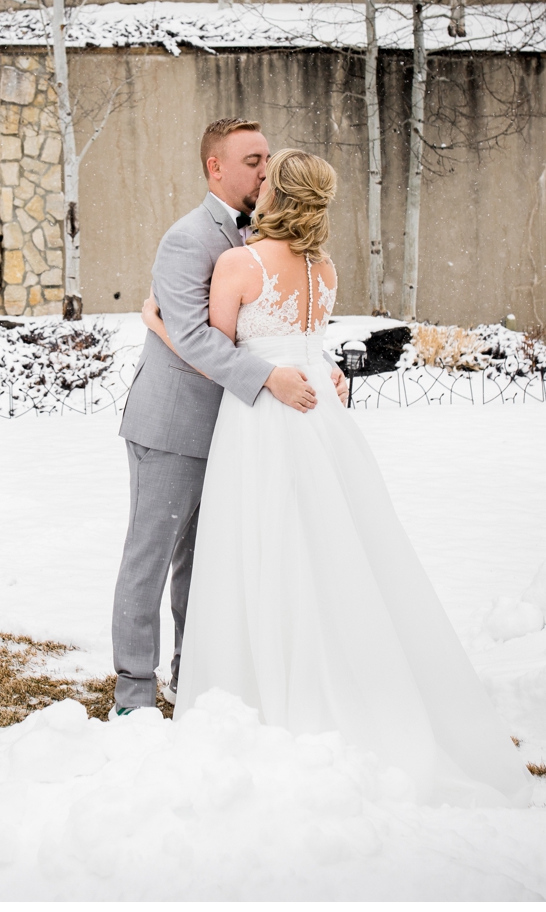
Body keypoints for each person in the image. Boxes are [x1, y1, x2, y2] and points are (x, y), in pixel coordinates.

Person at [150, 149, 530, 800]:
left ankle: (264, 689)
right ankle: (345, 678)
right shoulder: (324, 268)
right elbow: (307, 338)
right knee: (330, 552)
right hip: (320, 418)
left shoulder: (238, 264)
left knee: (261, 546)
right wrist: (326, 369)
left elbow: (216, 350)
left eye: (267, 177)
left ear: (276, 194)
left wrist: (160, 323)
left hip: (264, 418)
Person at [109, 119, 339, 714]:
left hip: (244, 432)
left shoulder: (270, 240)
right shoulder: (186, 239)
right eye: (253, 159)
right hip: (175, 427)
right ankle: (133, 692)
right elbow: (191, 336)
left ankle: (198, 678)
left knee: (208, 565)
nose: (265, 170)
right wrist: (269, 377)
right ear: (217, 167)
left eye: (269, 160)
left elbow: (286, 325)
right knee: (151, 558)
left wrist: (318, 367)